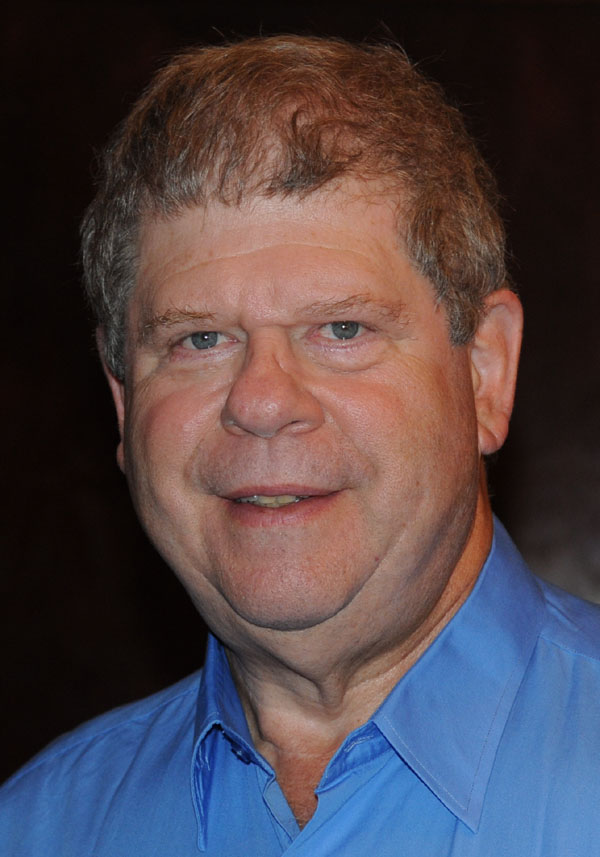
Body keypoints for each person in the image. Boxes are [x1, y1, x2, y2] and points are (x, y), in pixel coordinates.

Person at [1, 35, 599, 856]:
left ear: (484, 372)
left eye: (341, 328)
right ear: (124, 402)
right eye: (199, 339)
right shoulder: (38, 827)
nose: (261, 402)